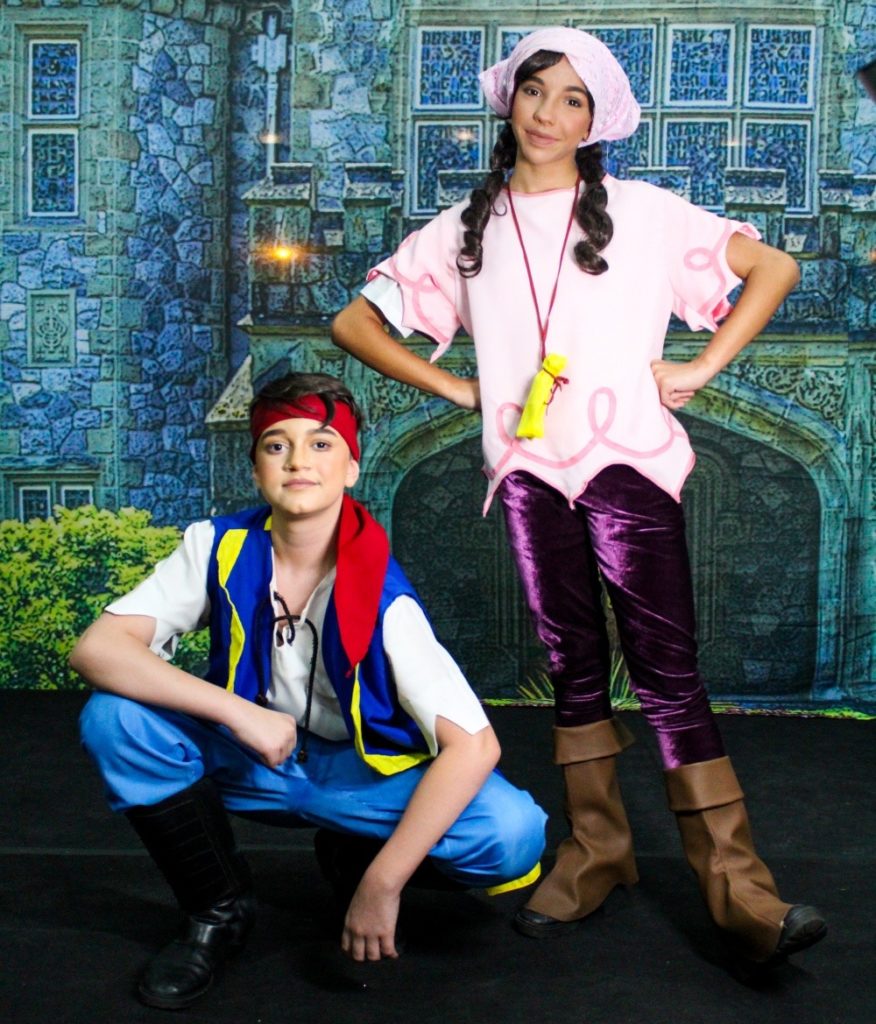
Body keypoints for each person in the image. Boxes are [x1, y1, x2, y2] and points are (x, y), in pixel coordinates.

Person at [331, 27, 826, 970]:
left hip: (628, 462)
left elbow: (774, 269)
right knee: (572, 666)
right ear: (508, 99)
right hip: (527, 472)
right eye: (535, 91)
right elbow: (354, 321)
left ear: (597, 120)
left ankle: (738, 887)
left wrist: (702, 367)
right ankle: (597, 850)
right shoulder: (464, 229)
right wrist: (462, 389)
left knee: (668, 671)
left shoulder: (643, 213)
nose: (548, 114)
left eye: (573, 100)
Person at [71, 371, 546, 1010]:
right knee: (113, 718)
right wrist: (238, 713)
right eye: (277, 445)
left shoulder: (385, 596)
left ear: (351, 468)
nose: (298, 460)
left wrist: (382, 885)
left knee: (512, 833)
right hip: (252, 755)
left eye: (321, 444)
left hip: (360, 772)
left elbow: (476, 746)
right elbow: (97, 649)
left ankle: (357, 856)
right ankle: (217, 911)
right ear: (256, 470)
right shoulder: (215, 546)